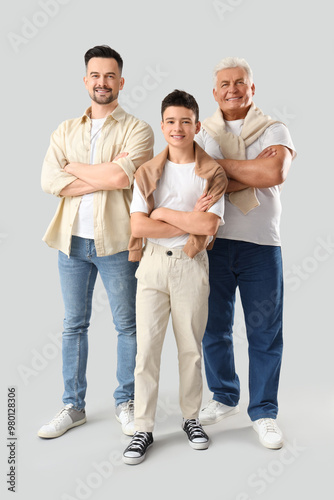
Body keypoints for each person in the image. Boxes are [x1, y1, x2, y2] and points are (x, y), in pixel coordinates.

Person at [39, 45, 154, 439]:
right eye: (95, 75)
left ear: (121, 82)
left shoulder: (138, 129)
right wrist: (102, 172)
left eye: (109, 76)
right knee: (74, 325)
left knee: (127, 326)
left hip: (119, 243)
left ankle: (126, 401)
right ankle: (73, 406)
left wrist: (74, 169)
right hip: (71, 242)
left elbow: (123, 179)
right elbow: (48, 181)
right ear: (85, 80)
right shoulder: (65, 129)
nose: (102, 82)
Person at [196, 57, 296, 450]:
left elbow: (273, 174)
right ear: (215, 92)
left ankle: (265, 412)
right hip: (214, 243)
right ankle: (223, 397)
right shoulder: (202, 130)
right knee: (213, 328)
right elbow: (192, 178)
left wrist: (216, 167)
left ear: (252, 90)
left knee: (265, 332)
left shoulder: (274, 128)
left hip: (261, 246)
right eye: (225, 83)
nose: (233, 89)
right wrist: (249, 167)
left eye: (241, 82)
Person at [122, 90, 227, 464]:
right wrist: (173, 217)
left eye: (185, 121)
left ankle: (191, 419)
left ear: (197, 126)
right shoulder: (148, 171)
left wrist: (161, 213)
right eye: (170, 121)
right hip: (151, 266)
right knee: (146, 350)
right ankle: (142, 428)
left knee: (190, 349)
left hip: (191, 264)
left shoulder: (211, 172)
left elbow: (208, 225)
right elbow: (137, 225)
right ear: (162, 125)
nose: (178, 128)